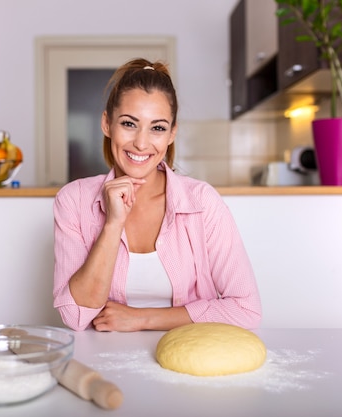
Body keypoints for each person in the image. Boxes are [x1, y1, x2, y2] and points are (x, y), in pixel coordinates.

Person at [53, 58, 262, 332]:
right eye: (129, 124)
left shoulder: (202, 202)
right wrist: (113, 224)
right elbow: (76, 316)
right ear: (107, 124)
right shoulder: (73, 200)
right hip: (104, 360)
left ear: (172, 133)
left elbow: (246, 309)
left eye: (158, 128)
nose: (141, 142)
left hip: (187, 360)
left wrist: (142, 319)